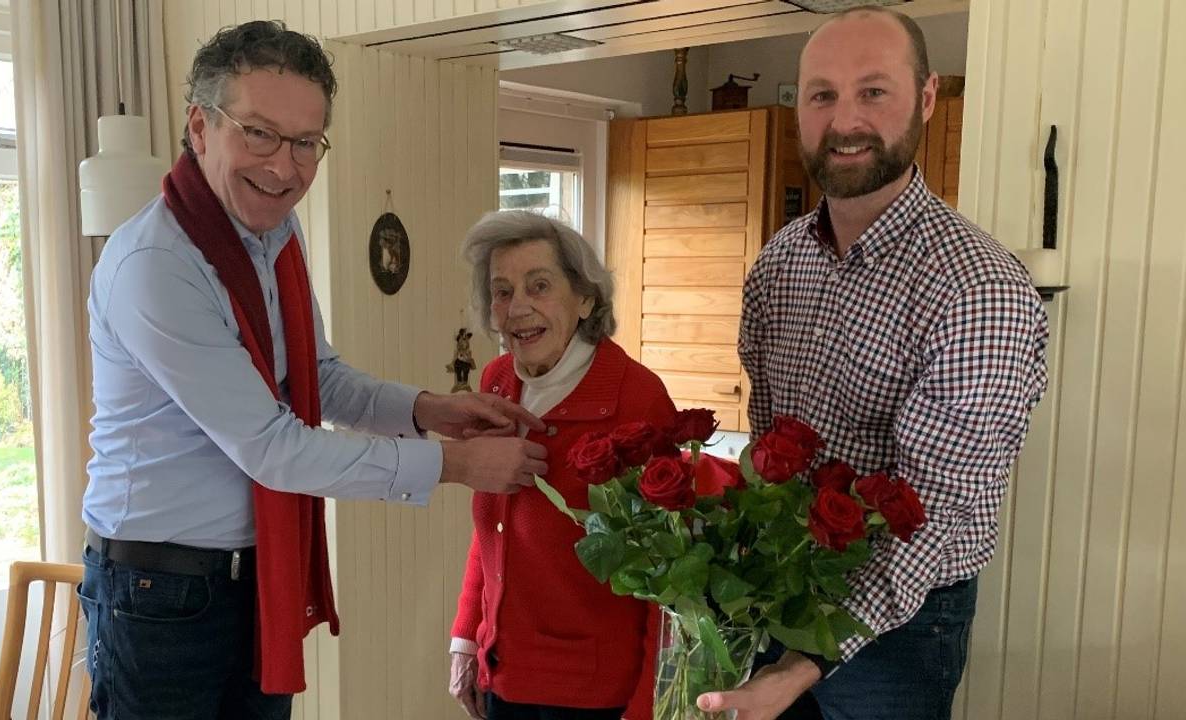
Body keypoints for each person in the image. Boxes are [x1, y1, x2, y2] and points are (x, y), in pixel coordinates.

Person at [79, 21, 548, 720]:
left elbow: (315, 378)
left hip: (252, 576)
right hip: (158, 594)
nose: (284, 166)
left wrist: (430, 409)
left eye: (306, 142)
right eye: (260, 133)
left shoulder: (273, 232)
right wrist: (453, 464)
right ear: (200, 127)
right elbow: (274, 447)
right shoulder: (157, 265)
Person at [700, 8, 1050, 720]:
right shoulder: (779, 263)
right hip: (784, 585)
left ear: (926, 97)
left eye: (873, 92)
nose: (844, 119)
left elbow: (933, 512)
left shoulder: (978, 290)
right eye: (821, 95)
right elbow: (770, 447)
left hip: (903, 621)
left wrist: (807, 659)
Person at [447, 211, 675, 720]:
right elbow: (492, 528)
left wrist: (647, 706)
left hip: (590, 696)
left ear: (585, 298)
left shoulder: (636, 399)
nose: (517, 308)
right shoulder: (498, 381)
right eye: (502, 292)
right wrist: (468, 636)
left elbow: (666, 575)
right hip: (502, 675)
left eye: (539, 286)